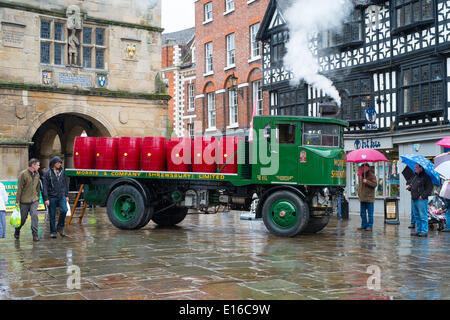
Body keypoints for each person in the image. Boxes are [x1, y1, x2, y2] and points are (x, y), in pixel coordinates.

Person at [42, 156, 69, 238]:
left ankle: (60, 227)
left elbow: (65, 183)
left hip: (61, 195)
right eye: (58, 163)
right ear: (54, 163)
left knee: (64, 210)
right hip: (51, 197)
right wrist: (46, 198)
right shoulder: (47, 173)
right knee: (52, 215)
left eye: (61, 163)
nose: (60, 164)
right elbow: (45, 187)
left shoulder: (62, 172)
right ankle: (53, 232)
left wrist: (66, 195)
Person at [15, 158, 41, 242]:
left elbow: (38, 187)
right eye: (38, 165)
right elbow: (19, 189)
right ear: (33, 165)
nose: (39, 167)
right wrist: (17, 201)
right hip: (24, 201)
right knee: (23, 218)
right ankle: (17, 229)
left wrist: (38, 198)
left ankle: (35, 234)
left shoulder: (37, 174)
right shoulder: (23, 174)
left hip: (34, 200)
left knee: (34, 215)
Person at [406, 163, 433, 237]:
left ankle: (424, 231)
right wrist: (409, 188)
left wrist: (422, 196)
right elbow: (413, 186)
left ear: (421, 168)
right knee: (417, 216)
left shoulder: (426, 177)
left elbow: (429, 189)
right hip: (414, 198)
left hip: (421, 199)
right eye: (414, 167)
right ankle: (418, 230)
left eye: (416, 167)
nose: (415, 168)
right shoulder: (415, 176)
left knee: (422, 215)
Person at [357, 163, 377, 231]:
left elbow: (374, 184)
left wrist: (367, 181)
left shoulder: (372, 176)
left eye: (365, 167)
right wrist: (359, 193)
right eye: (362, 167)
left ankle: (370, 226)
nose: (363, 169)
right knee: (362, 213)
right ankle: (363, 225)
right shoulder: (361, 176)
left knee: (370, 214)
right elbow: (360, 186)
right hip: (362, 198)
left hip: (369, 198)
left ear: (368, 168)